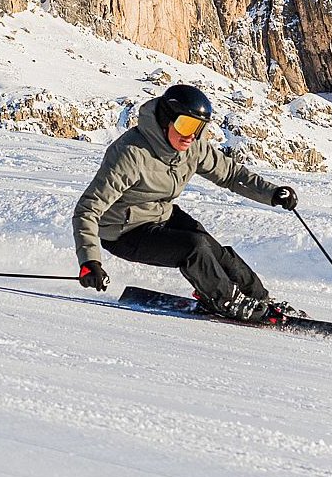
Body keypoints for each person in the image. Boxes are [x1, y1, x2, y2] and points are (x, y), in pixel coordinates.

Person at [72, 84, 299, 322]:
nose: (191, 135)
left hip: (160, 215)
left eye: (199, 127)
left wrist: (272, 193)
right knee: (194, 247)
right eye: (186, 125)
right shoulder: (130, 153)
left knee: (215, 251)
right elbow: (88, 209)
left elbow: (231, 175)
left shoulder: (192, 146)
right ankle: (225, 299)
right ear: (165, 120)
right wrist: (90, 261)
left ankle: (259, 298)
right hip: (123, 231)